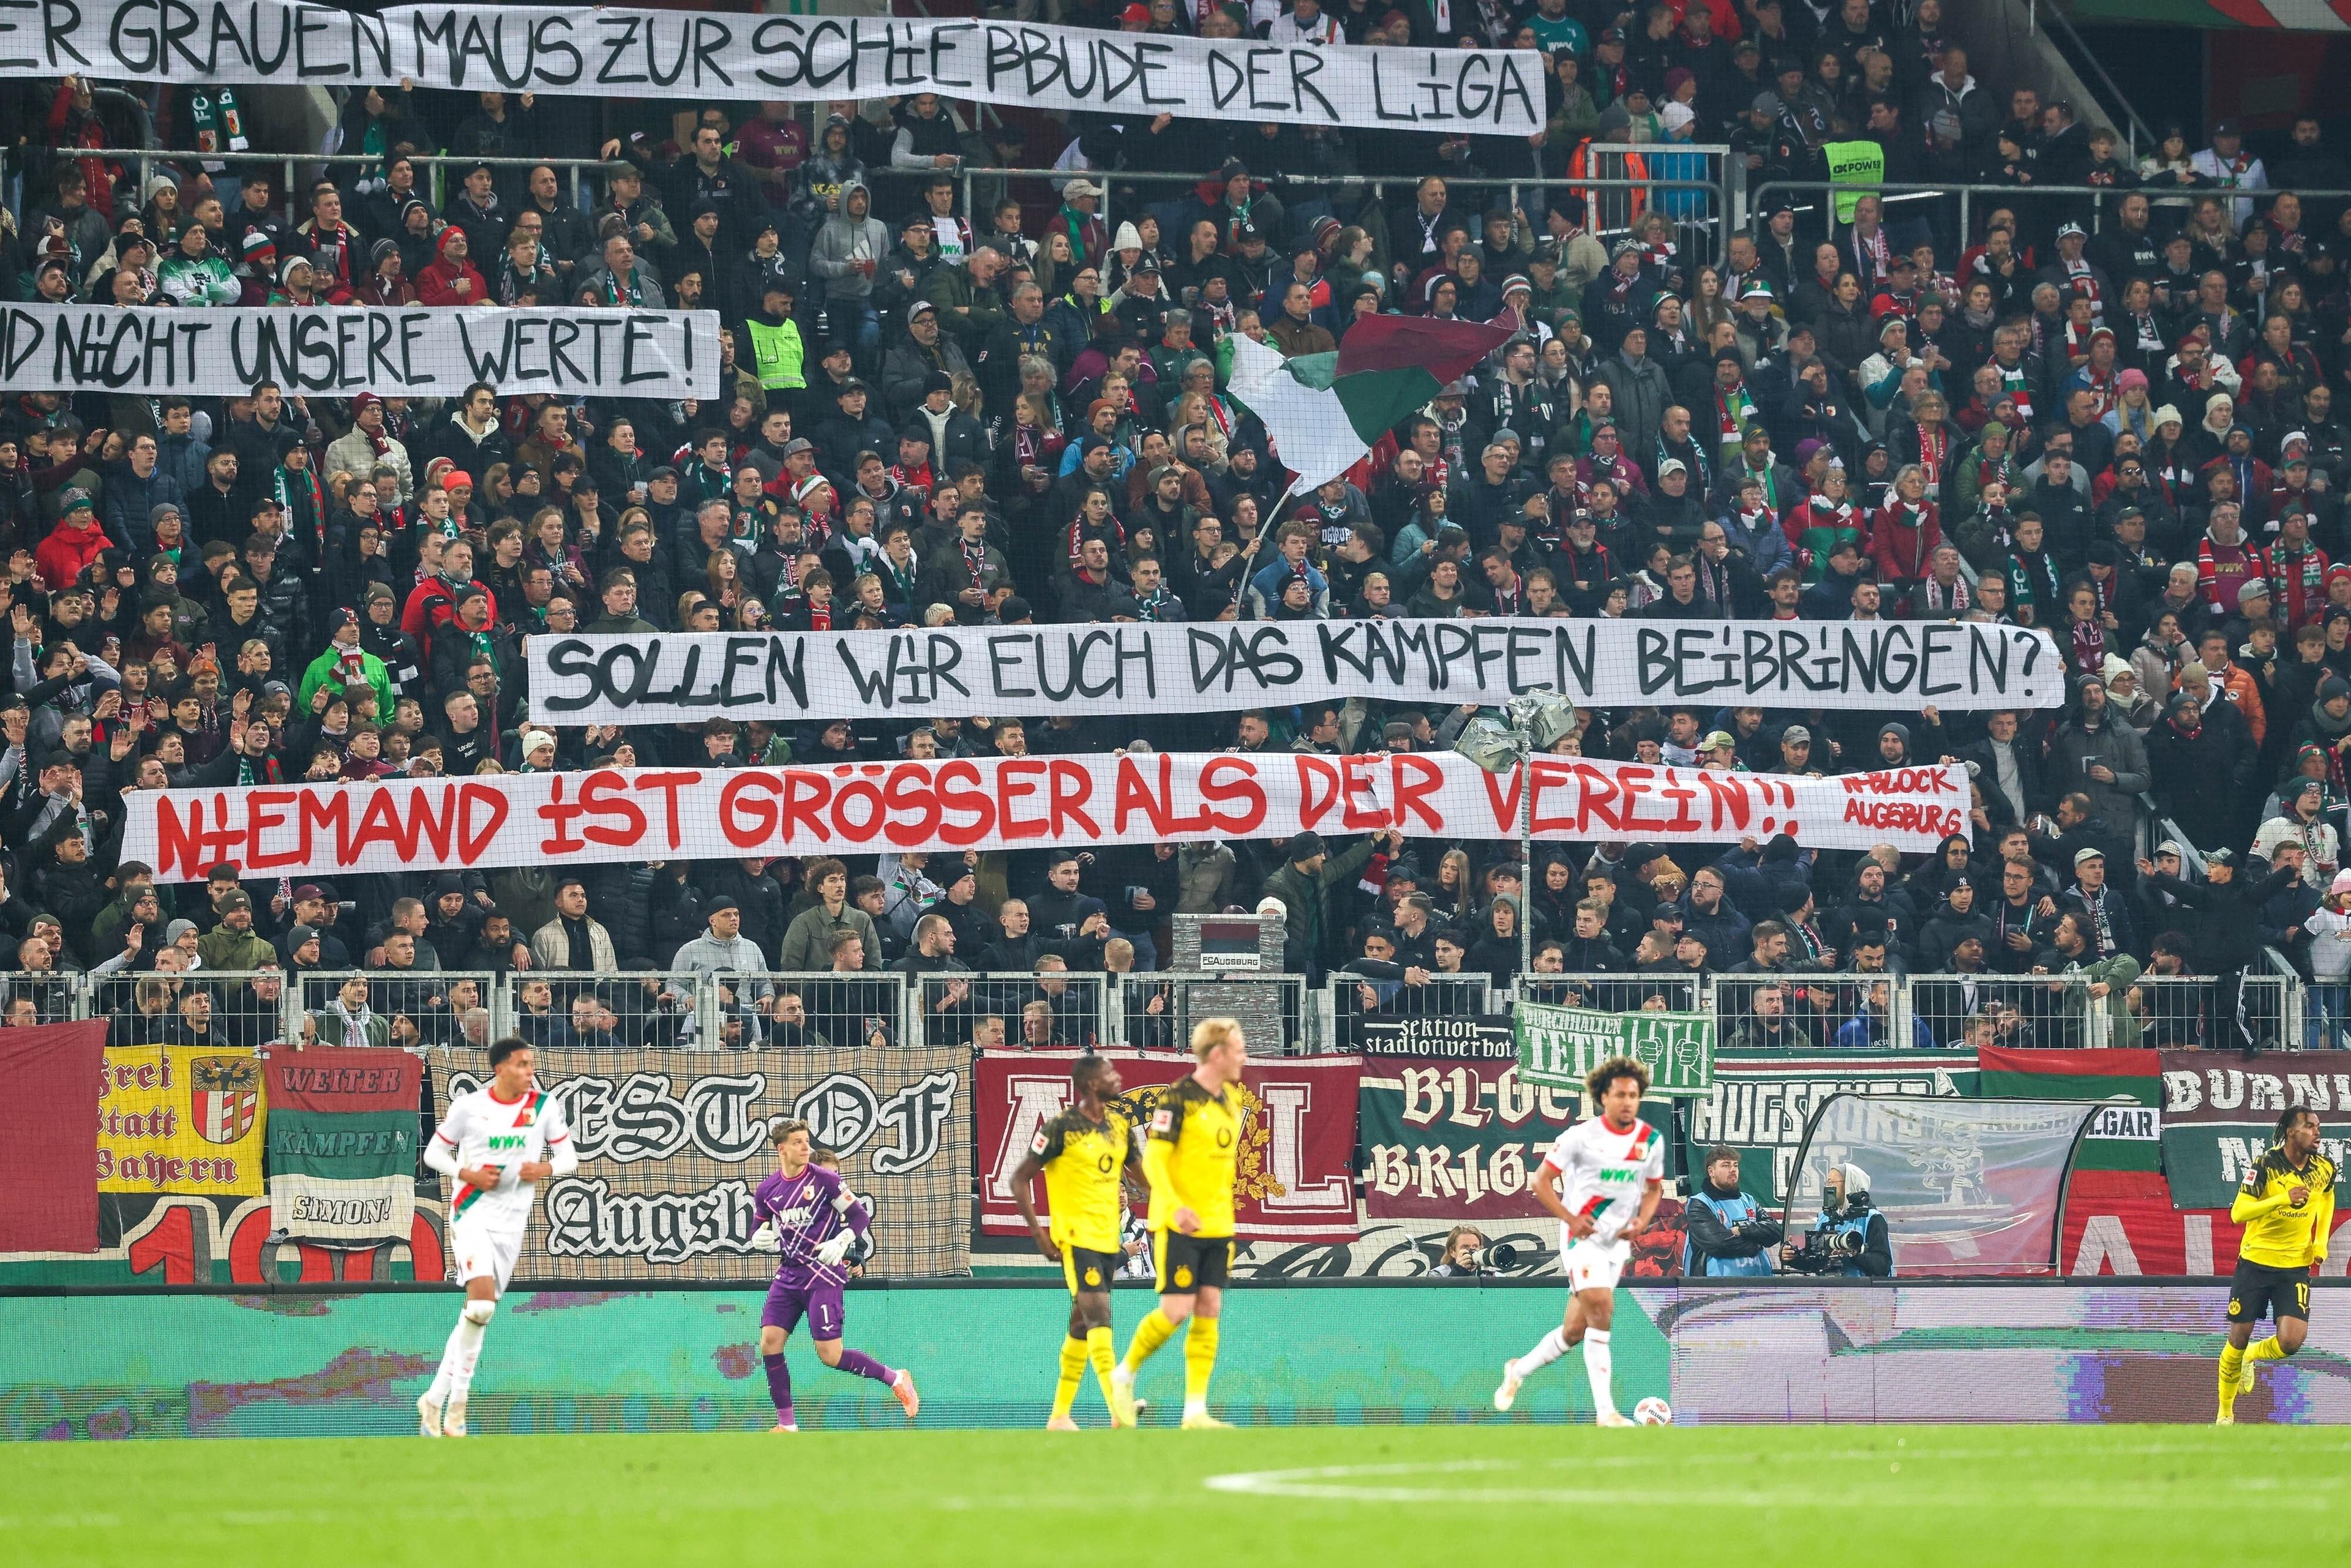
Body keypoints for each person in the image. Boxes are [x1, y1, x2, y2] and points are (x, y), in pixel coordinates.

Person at [417, 1037, 577, 1438]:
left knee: (476, 1313)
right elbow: (433, 1153)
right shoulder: (470, 1106)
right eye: (523, 1064)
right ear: (500, 1068)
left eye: (532, 1064)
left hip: (512, 1222)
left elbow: (568, 1157)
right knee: (482, 1307)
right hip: (471, 1212)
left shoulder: (543, 1107)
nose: (530, 1071)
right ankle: (458, 1407)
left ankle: (434, 1397)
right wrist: (464, 1172)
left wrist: (544, 1169)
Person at [1493, 1055, 1663, 1427]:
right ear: (1603, 1097)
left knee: (1575, 1330)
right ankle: (1607, 1414)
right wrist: (1573, 1220)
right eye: (1619, 1094)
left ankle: (1518, 1370)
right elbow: (1540, 1182)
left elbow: (1655, 1189)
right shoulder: (1577, 1138)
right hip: (1579, 1239)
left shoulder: (1648, 1141)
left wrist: (1641, 1221)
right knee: (1603, 1309)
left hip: (1614, 1244)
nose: (1627, 1101)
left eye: (1633, 1094)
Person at [1112, 1016, 1247, 1430]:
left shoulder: (1230, 1101)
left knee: (1210, 1306)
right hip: (1178, 1224)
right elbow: (1153, 1158)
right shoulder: (1177, 1099)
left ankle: (1195, 1412)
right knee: (1175, 1309)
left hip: (1218, 1225)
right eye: (1240, 1050)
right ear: (1219, 1054)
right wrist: (1174, 1206)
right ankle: (1124, 1373)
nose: (1245, 1057)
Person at [748, 1117, 920, 1431]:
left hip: (824, 1276)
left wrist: (841, 1242)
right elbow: (757, 1226)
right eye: (798, 1142)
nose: (805, 1147)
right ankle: (787, 1426)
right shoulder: (767, 1189)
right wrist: (758, 1237)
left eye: (807, 1140)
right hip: (788, 1276)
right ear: (781, 1149)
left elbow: (859, 1215)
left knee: (830, 1355)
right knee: (769, 1343)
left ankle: (896, 1378)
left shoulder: (825, 1180)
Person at [1010, 1053, 1145, 1430]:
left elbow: (1144, 1179)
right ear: (1090, 1084)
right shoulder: (1060, 1128)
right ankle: (1120, 1411)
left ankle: (1059, 1417)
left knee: (1081, 1326)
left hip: (1107, 1240)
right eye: (1109, 1073)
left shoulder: (1120, 1126)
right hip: (1075, 1239)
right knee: (1100, 1317)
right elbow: (1019, 1180)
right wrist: (1040, 1235)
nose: (1117, 1077)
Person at [2215, 1106, 2334, 1424]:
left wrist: (2320, 1240)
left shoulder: (2324, 1167)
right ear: (2291, 1132)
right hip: (2256, 1262)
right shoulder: (2266, 1165)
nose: (2317, 1132)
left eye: (2318, 1127)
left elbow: (2326, 1197)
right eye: (2310, 1126)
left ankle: (2252, 1357)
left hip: (2295, 1266)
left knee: (2291, 1342)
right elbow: (2238, 1213)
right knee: (2238, 1338)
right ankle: (2225, 1414)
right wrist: (2283, 1199)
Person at [1681, 1146, 1782, 1277]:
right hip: (1717, 1290)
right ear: (1711, 1172)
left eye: (1735, 1165)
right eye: (1725, 1165)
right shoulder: (1699, 1204)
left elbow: (1774, 1231)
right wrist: (1757, 1244)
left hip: (1760, 1284)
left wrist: (1743, 1229)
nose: (1733, 1170)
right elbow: (1719, 1244)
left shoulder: (1748, 1200)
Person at [1781, 1161, 1893, 1278]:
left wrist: (1852, 1254)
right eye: (1827, 1182)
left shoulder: (1873, 1218)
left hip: (1863, 1292)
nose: (1828, 1186)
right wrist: (1793, 1257)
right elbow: (1816, 1261)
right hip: (1828, 1291)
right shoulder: (1825, 1217)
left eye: (1832, 1182)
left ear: (1850, 1184)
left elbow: (1883, 1265)